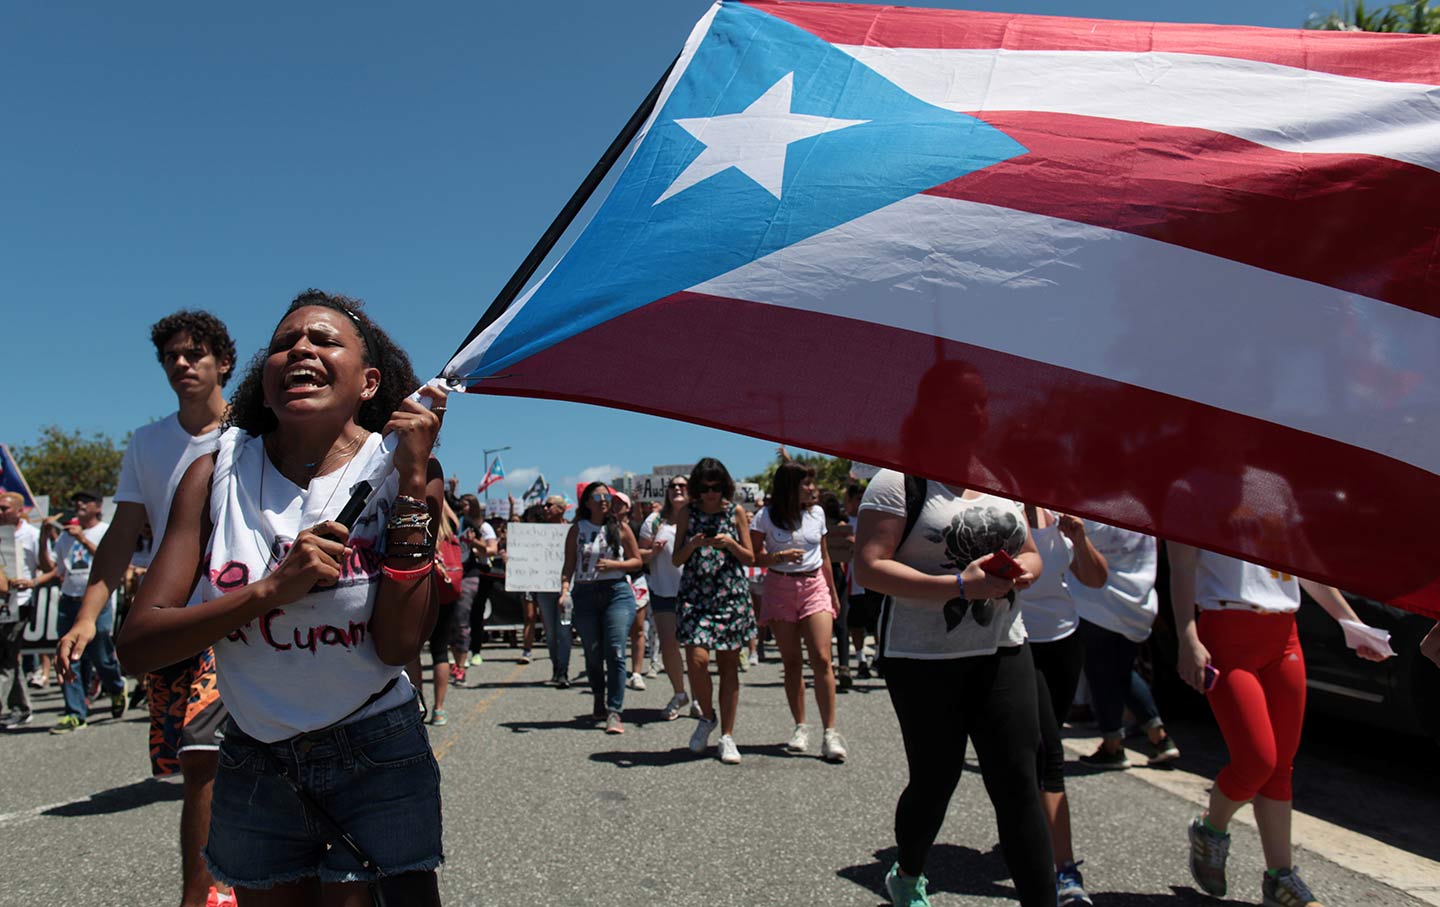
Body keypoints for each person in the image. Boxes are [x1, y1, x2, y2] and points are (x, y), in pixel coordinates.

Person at [115, 289, 447, 905]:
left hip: (377, 748)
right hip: (255, 755)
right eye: (283, 343)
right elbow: (138, 646)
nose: (300, 349)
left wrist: (412, 481)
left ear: (369, 381)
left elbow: (400, 645)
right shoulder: (215, 472)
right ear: (264, 382)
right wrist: (269, 591)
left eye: (323, 340)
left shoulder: (406, 467)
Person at [50, 310, 236, 906]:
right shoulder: (148, 442)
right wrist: (86, 615)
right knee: (192, 762)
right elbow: (121, 536)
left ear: (222, 362)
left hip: (240, 616)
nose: (182, 364)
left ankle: (202, 895)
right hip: (168, 622)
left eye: (195, 354)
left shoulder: (254, 434)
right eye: (171, 357)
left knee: (206, 755)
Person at [854, 468, 1054, 907]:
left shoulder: (1004, 481)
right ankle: (907, 871)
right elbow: (869, 567)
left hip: (1003, 646)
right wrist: (962, 586)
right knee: (934, 780)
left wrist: (1024, 571)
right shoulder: (896, 483)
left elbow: (1031, 551)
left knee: (1019, 781)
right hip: (921, 657)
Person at [1169, 545, 1390, 906]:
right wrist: (1187, 636)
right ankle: (1211, 829)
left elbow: (1304, 567)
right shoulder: (1193, 491)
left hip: (1284, 633)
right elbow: (1180, 565)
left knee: (1280, 767)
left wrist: (1353, 625)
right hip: (1226, 630)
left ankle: (1280, 878)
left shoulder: (1282, 491)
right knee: (1257, 761)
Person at [1016, 506, 1108, 905]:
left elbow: (1096, 578)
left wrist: (1080, 539)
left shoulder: (1059, 517)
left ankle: (1032, 834)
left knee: (1038, 754)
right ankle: (1064, 870)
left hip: (1064, 644)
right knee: (1050, 753)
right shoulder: (996, 510)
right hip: (1017, 643)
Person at [750, 462, 848, 762]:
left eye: (812, 484)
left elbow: (826, 554)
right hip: (779, 588)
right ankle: (800, 726)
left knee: (821, 657)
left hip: (814, 585)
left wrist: (832, 593)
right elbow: (754, 556)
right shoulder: (764, 517)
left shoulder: (817, 514)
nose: (812, 489)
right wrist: (777, 556)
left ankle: (830, 733)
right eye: (805, 484)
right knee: (792, 662)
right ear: (789, 487)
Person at [1068, 520, 1180, 768]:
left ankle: (1112, 746)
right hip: (1138, 604)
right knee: (1122, 673)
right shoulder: (1144, 513)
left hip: (1096, 604)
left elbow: (1068, 547)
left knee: (1103, 676)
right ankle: (1158, 737)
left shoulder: (1090, 513)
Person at [672, 458, 755, 764]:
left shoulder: (734, 512)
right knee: (696, 660)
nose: (710, 493)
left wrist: (731, 543)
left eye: (716, 487)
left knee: (729, 666)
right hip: (696, 596)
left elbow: (750, 558)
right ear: (697, 488)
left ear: (725, 486)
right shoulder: (687, 513)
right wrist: (692, 545)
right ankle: (707, 717)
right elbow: (675, 560)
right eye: (705, 488)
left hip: (730, 596)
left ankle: (727, 736)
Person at [38, 489, 127, 733]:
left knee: (101, 656)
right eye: (76, 500)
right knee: (69, 655)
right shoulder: (65, 536)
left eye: (85, 500)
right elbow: (52, 569)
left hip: (97, 603)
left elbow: (112, 562)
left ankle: (116, 687)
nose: (79, 503)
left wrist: (83, 540)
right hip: (69, 601)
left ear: (98, 506)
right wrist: (44, 538)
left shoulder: (105, 531)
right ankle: (75, 712)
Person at [560, 482, 641, 733]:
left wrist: (615, 565)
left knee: (616, 650)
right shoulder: (577, 529)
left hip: (616, 593)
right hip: (584, 594)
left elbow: (637, 561)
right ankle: (598, 696)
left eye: (607, 496)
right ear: (587, 502)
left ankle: (615, 710)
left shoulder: (621, 528)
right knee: (593, 653)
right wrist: (564, 591)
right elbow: (569, 565)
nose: (603, 500)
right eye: (597, 496)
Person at [639, 477, 699, 720]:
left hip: (694, 591)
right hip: (663, 590)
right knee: (669, 646)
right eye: (673, 486)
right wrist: (652, 551)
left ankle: (699, 698)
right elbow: (640, 555)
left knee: (696, 649)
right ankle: (679, 693)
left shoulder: (697, 518)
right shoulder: (654, 521)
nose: (677, 489)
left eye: (683, 485)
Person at [0, 492, 48, 728]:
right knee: (8, 660)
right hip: (1, 603)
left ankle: (14, 706)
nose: (0, 513)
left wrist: (32, 583)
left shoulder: (31, 535)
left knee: (7, 658)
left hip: (19, 604)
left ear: (20, 511)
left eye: (4, 509)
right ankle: (21, 706)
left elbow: (50, 568)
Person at [450, 493, 495, 681]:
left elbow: (491, 550)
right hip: (455, 572)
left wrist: (474, 544)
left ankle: (474, 651)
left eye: (467, 504)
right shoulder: (455, 523)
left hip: (477, 573)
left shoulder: (483, 527)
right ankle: (459, 654)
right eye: (461, 504)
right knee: (457, 616)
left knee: (473, 614)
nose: (463, 507)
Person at [534, 495, 573, 687]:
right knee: (550, 632)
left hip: (566, 589)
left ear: (561, 508)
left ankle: (564, 671)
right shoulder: (536, 532)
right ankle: (556, 668)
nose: (546, 508)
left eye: (550, 505)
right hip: (544, 587)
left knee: (564, 630)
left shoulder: (572, 530)